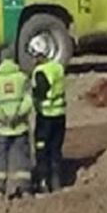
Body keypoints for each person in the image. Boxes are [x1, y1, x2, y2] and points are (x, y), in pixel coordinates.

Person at [0, 56, 33, 199]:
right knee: (22, 158)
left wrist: (3, 117)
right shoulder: (22, 78)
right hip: (20, 126)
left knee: (0, 158)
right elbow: (29, 99)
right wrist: (18, 115)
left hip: (1, 128)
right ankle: (24, 188)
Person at [31, 53, 67, 194]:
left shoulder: (41, 72)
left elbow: (41, 92)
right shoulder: (57, 68)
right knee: (55, 150)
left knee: (42, 151)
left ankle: (43, 183)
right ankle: (56, 182)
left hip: (45, 117)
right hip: (60, 115)